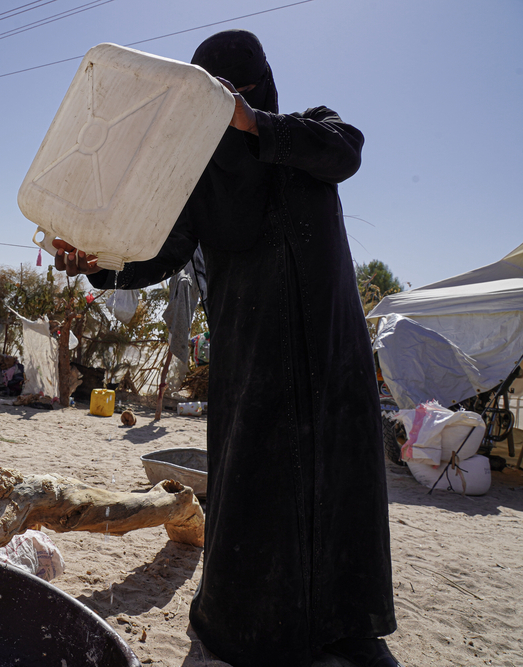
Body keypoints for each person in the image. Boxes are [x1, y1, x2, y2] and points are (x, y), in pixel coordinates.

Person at [55, 30, 400, 667]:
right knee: (257, 491)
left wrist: (254, 123)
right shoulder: (199, 176)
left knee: (340, 485)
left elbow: (347, 152)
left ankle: (350, 626)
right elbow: (160, 254)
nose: (226, 105)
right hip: (254, 360)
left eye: (236, 92)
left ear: (260, 89)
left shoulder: (310, 130)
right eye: (212, 95)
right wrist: (97, 266)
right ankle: (247, 629)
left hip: (330, 353)